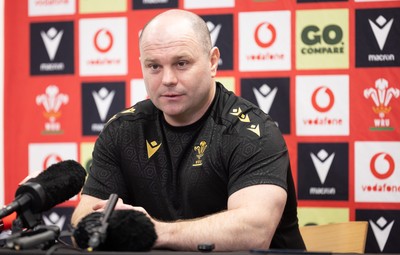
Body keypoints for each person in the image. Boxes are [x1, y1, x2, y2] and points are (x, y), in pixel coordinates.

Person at [71, 9, 305, 251]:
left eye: (181, 63)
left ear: (212, 61)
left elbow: (254, 231)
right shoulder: (121, 131)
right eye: (154, 66)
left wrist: (152, 230)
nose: (168, 79)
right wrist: (100, 226)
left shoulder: (251, 133)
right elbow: (83, 222)